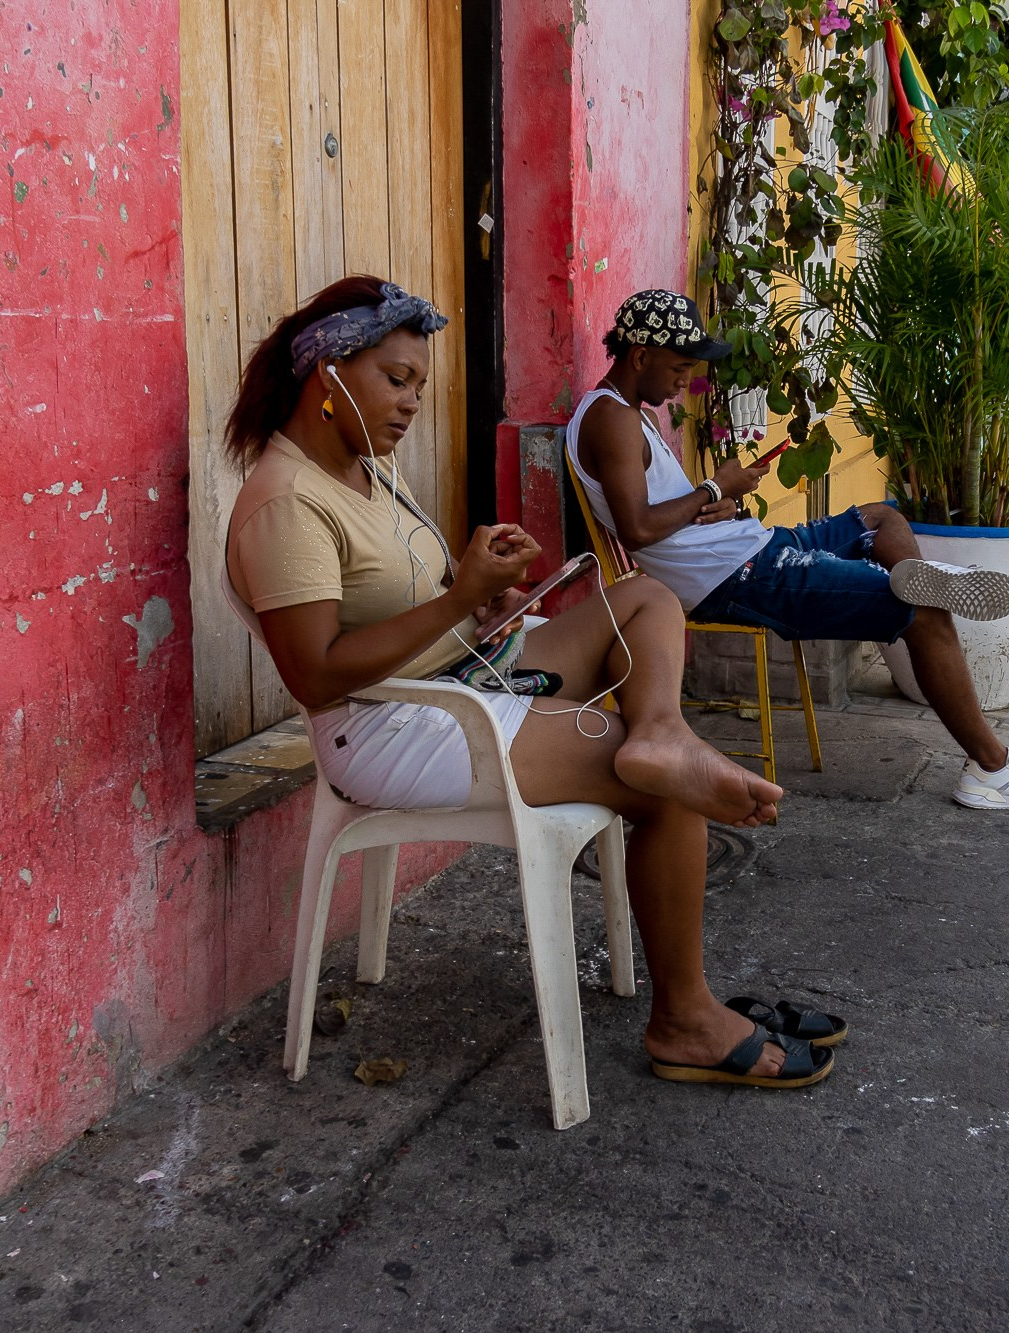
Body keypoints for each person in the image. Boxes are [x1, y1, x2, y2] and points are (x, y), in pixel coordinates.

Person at [224, 276, 840, 1090]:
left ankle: (661, 730)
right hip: (389, 727)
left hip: (463, 668)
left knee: (645, 601)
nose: (412, 402)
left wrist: (495, 588)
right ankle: (685, 1018)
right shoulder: (286, 502)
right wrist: (460, 597)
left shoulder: (370, 468)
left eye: (418, 381)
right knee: (659, 790)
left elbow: (424, 587)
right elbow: (313, 669)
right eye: (394, 379)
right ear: (327, 373)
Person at [568, 290, 1009, 813]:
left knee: (883, 519)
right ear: (639, 356)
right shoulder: (612, 419)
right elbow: (635, 528)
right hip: (738, 577)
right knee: (922, 615)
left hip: (752, 550)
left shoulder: (629, 414)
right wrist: (713, 490)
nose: (684, 382)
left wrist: (714, 506)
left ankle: (921, 574)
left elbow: (659, 514)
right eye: (679, 367)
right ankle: (991, 770)